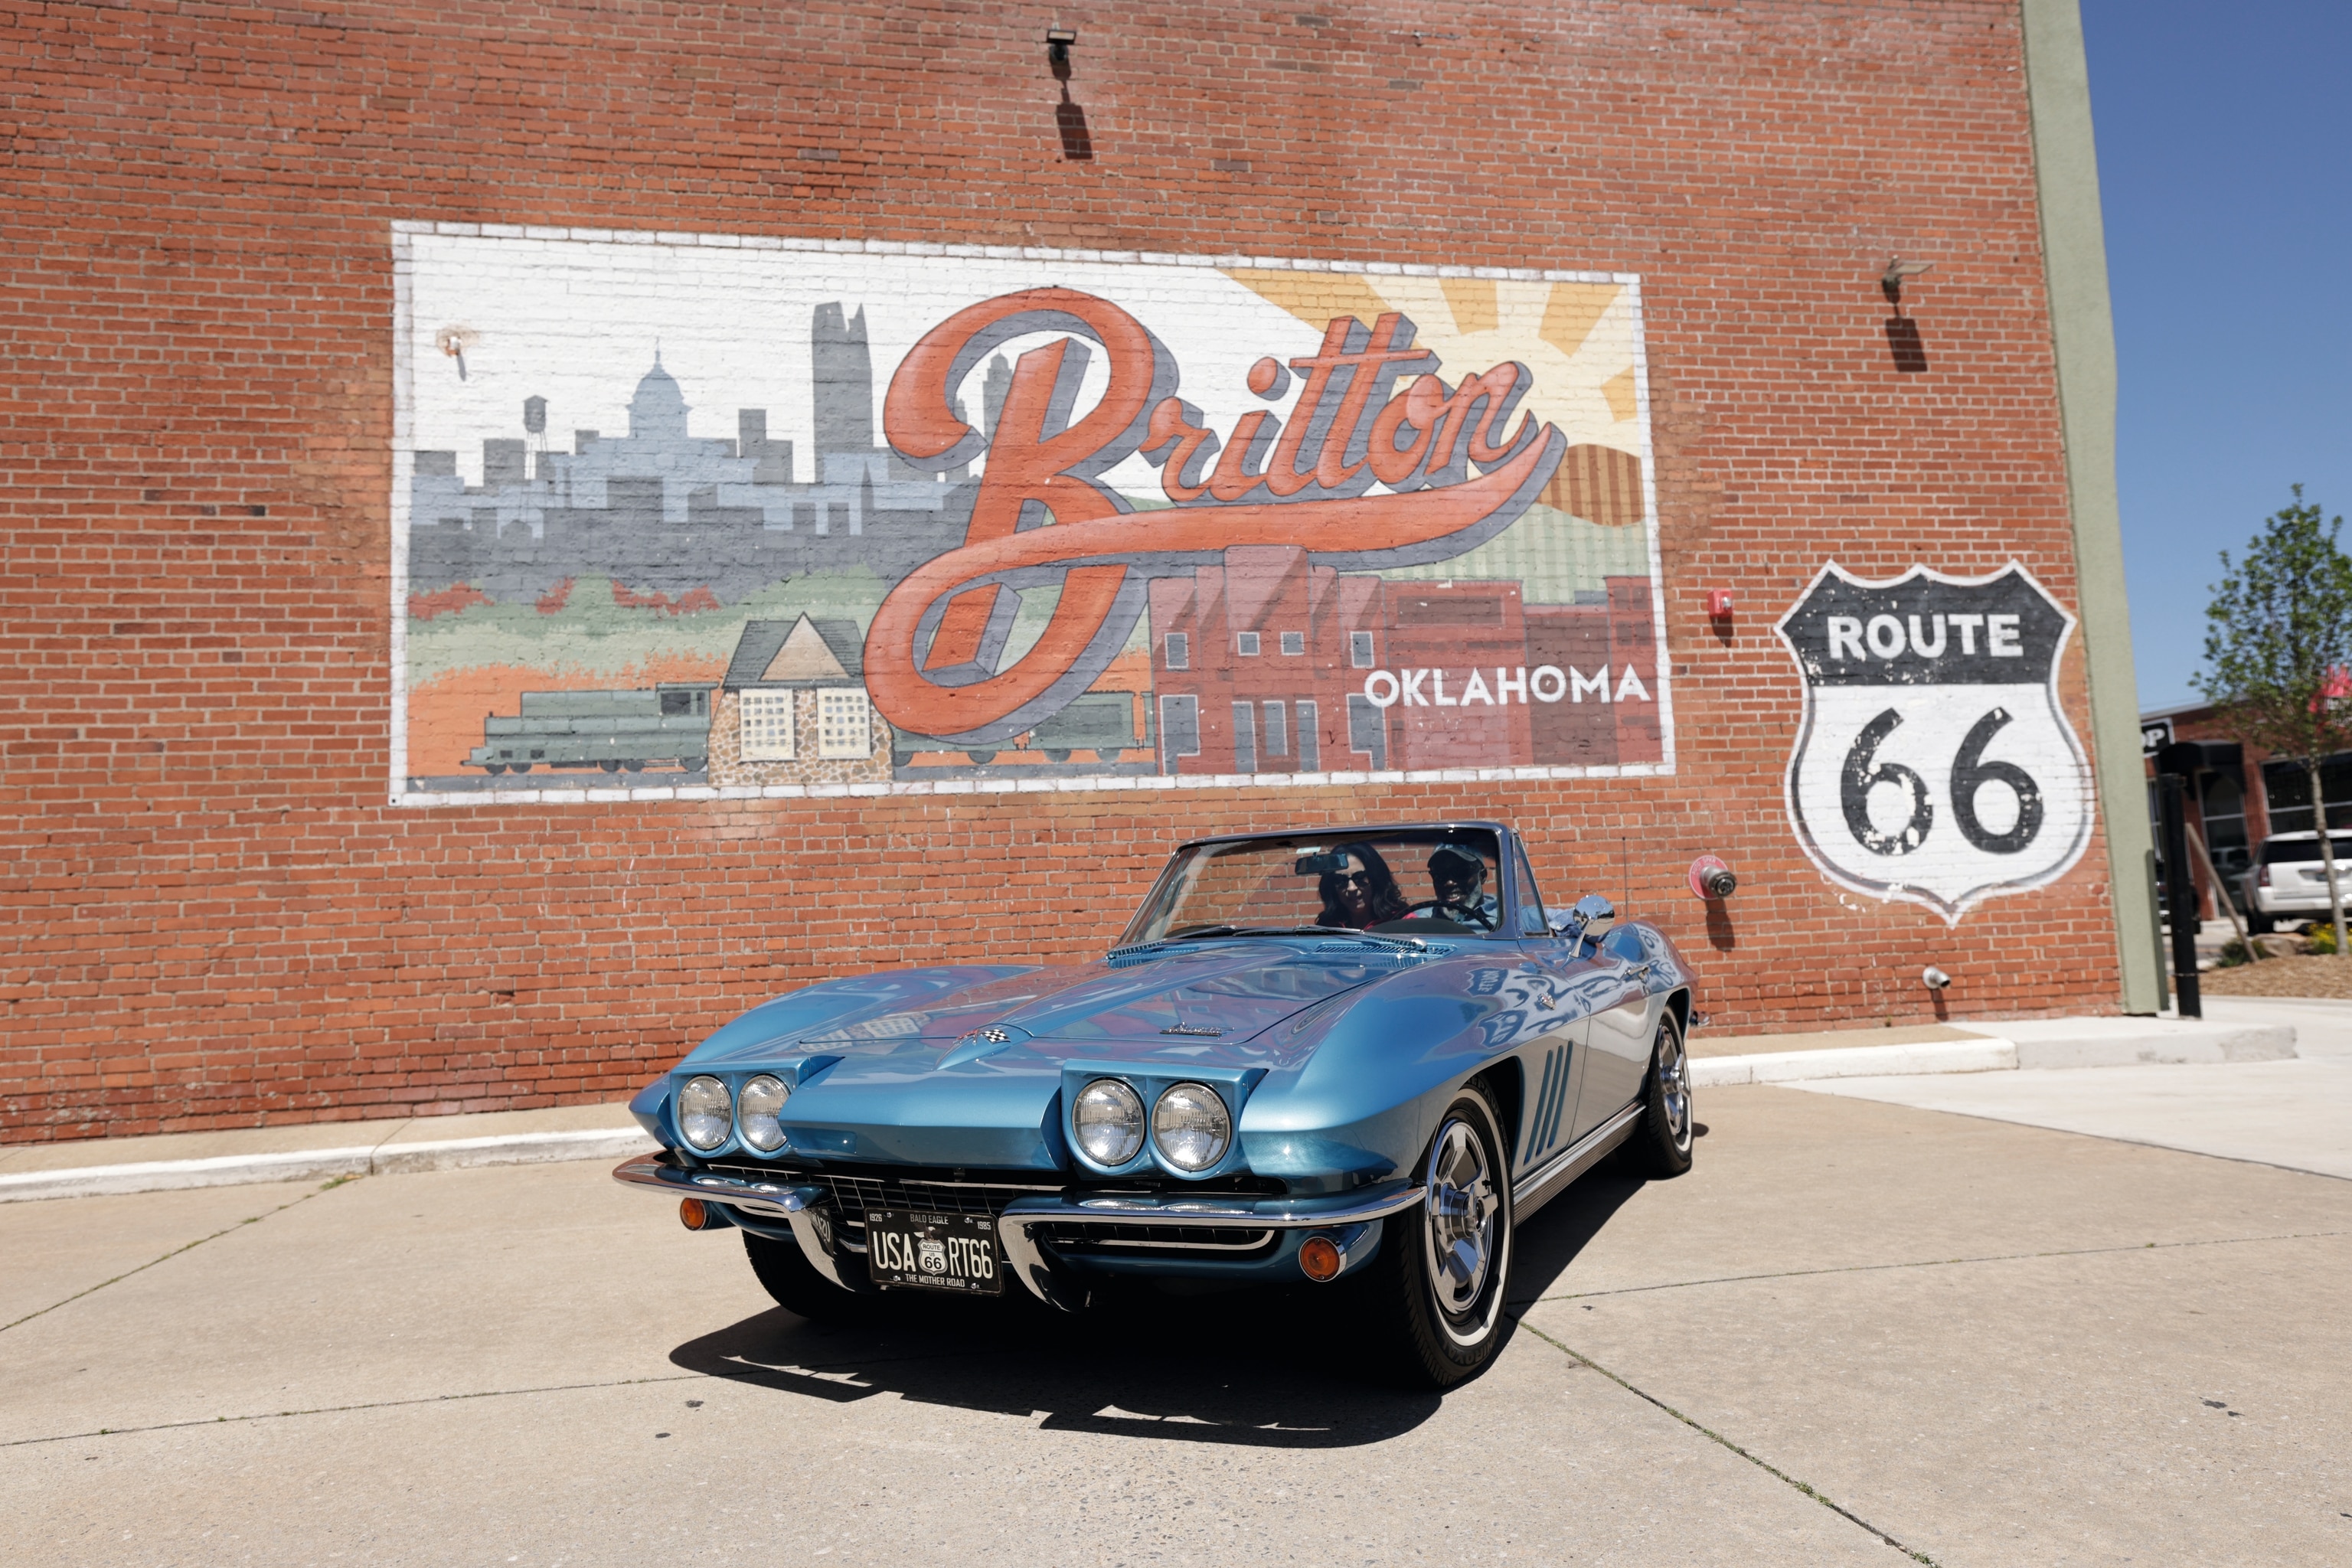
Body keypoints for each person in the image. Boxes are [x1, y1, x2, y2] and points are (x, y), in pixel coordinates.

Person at [1316, 842, 1410, 929]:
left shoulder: (1402, 921)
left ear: (1376, 878)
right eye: (1341, 880)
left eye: (1360, 877)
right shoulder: (1326, 927)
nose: (1351, 888)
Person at [1414, 841, 1500, 929]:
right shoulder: (1419, 922)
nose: (1449, 883)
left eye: (1461, 872)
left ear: (1482, 876)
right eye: (1439, 874)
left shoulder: (1503, 922)